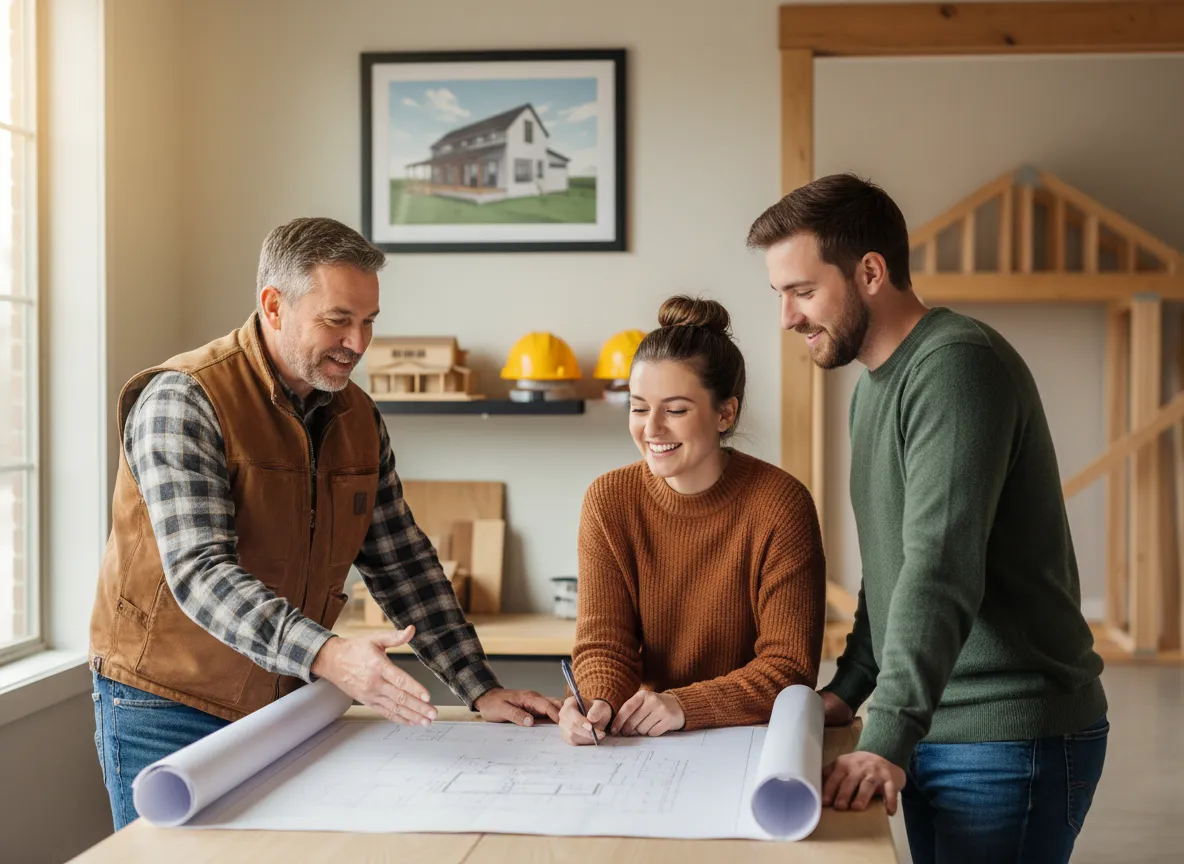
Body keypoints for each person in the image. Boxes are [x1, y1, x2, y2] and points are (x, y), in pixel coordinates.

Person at [88, 217, 559, 830]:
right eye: (338, 319)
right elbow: (200, 573)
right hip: (166, 705)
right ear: (274, 306)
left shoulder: (358, 415)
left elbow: (402, 562)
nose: (358, 343)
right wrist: (329, 655)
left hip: (283, 701)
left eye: (369, 322)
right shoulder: (184, 399)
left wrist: (479, 687)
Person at [746, 174, 1108, 863]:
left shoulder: (955, 367)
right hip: (938, 724)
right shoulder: (874, 390)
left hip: (1006, 733)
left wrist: (886, 733)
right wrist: (852, 689)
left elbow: (940, 569)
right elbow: (893, 571)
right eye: (780, 295)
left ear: (871, 272)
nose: (787, 318)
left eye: (802, 291)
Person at [559, 295, 826, 746]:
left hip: (751, 744)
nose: (651, 429)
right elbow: (606, 644)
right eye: (639, 407)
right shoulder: (609, 501)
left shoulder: (781, 505)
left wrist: (685, 705)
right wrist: (597, 701)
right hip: (654, 742)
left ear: (726, 413)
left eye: (676, 410)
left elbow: (789, 667)